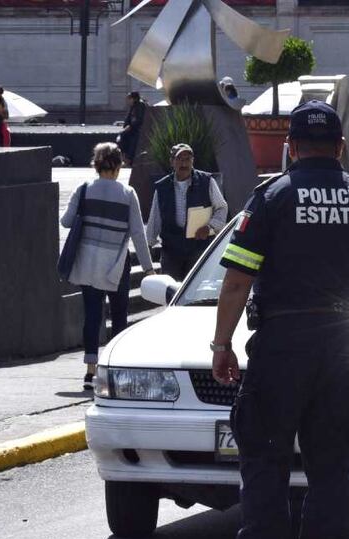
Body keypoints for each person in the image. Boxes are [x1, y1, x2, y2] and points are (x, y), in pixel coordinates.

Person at [206, 100, 349, 539]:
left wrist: (222, 343)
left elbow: (236, 281)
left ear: (290, 147)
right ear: (340, 147)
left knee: (265, 462)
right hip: (342, 351)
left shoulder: (271, 199)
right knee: (331, 466)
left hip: (280, 350)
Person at [60, 143, 154, 390]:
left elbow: (66, 221)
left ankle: (90, 372)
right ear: (118, 165)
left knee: (92, 316)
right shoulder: (127, 193)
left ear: (96, 164)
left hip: (88, 265)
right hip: (116, 265)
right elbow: (138, 233)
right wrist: (148, 268)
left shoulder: (83, 189)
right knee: (119, 317)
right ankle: (116, 371)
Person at [146, 143, 228, 281]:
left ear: (192, 161)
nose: (184, 163)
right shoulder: (162, 187)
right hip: (171, 250)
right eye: (179, 159)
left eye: (187, 159)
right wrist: (148, 246)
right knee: (171, 292)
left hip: (198, 248)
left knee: (195, 291)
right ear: (172, 162)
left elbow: (221, 208)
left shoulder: (206, 181)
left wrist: (209, 228)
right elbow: (155, 218)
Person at [117, 91, 147, 165]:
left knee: (130, 139)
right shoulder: (133, 106)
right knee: (122, 136)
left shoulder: (140, 105)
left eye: (129, 98)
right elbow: (130, 119)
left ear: (134, 98)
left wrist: (130, 126)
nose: (127, 100)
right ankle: (125, 157)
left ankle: (128, 159)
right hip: (133, 129)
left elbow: (139, 120)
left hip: (138, 129)